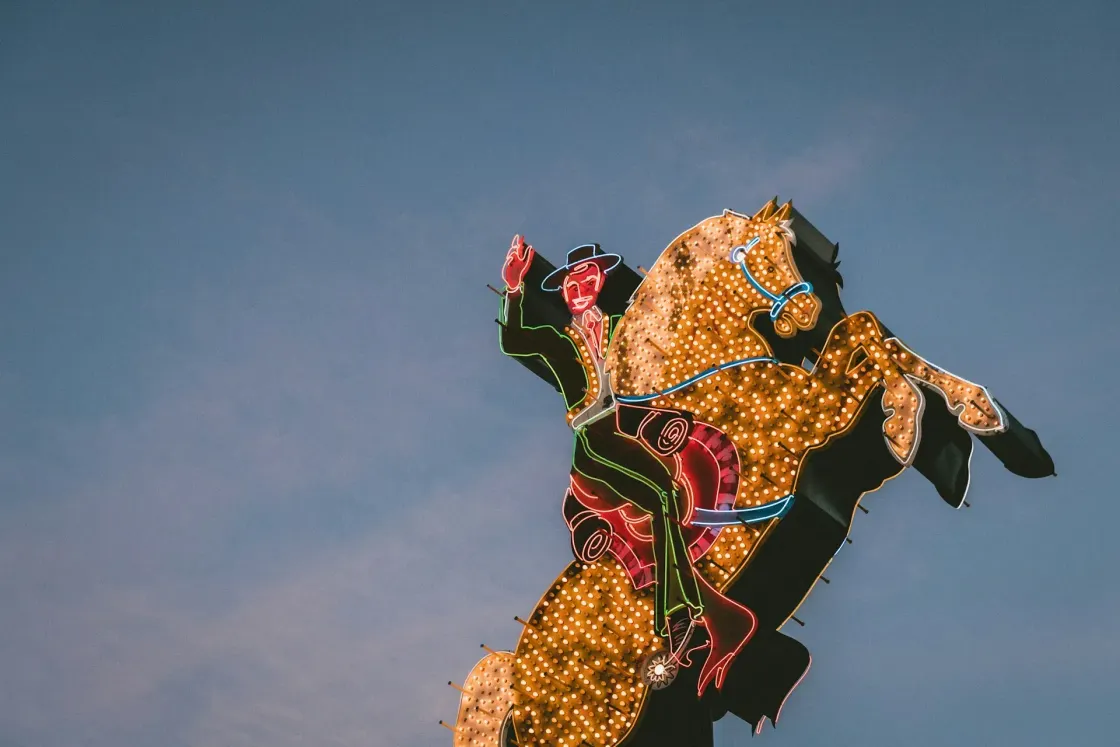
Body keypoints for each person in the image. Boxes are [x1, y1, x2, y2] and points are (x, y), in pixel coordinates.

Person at [498, 234, 757, 695]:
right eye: (571, 284)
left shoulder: (627, 326)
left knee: (668, 498)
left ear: (600, 280)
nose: (579, 289)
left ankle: (698, 614)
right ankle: (679, 615)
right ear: (563, 292)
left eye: (587, 280)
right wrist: (515, 289)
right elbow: (514, 341)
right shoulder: (561, 341)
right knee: (660, 497)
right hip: (595, 436)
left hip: (631, 424)